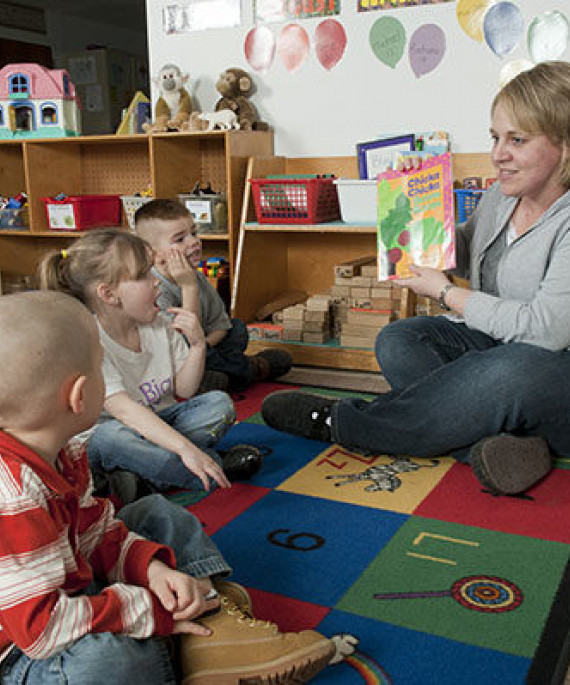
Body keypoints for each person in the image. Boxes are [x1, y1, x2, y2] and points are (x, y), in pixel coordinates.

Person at [261, 60, 570, 496]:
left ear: (565, 144)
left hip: (551, 370)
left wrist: (445, 293)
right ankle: (503, 447)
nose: (499, 153)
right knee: (399, 340)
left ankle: (346, 422)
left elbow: (549, 330)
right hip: (498, 349)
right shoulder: (502, 197)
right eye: (495, 137)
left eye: (517, 140)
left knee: (507, 369)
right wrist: (416, 228)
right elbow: (464, 253)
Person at [0, 290, 335, 684]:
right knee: (112, 663)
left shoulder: (66, 449)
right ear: (78, 396)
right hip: (24, 648)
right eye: (101, 363)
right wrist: (151, 610)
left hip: (62, 587)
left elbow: (96, 532)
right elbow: (40, 628)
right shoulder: (15, 493)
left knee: (155, 514)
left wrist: (152, 569)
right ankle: (199, 628)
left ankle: (212, 627)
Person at [39, 228, 239, 495]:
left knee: (218, 404)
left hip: (158, 422)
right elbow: (124, 411)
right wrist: (185, 448)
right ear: (109, 295)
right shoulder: (89, 341)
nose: (156, 281)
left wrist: (198, 345)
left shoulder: (160, 324)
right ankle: (208, 469)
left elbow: (184, 390)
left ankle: (143, 475)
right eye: (144, 275)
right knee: (111, 438)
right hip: (114, 432)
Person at [134, 199, 292, 392]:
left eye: (194, 233)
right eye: (180, 239)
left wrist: (203, 348)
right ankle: (250, 369)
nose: (194, 242)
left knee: (238, 329)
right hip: (174, 358)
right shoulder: (153, 287)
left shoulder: (199, 278)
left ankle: (223, 373)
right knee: (191, 351)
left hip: (205, 347)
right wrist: (188, 286)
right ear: (153, 254)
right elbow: (182, 344)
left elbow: (221, 326)